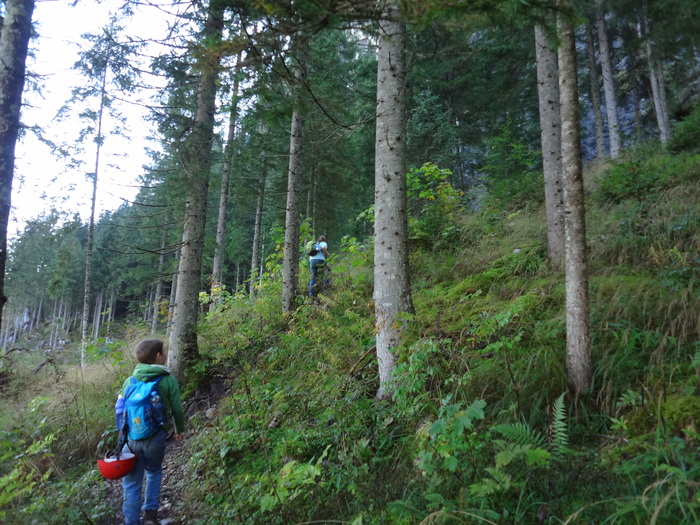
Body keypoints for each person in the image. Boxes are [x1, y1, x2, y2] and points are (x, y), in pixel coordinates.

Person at [121, 339, 185, 525]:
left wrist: (122, 436)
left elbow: (121, 410)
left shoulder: (129, 381)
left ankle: (131, 521)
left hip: (132, 437)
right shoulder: (168, 379)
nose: (164, 355)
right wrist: (179, 429)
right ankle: (150, 516)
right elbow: (177, 409)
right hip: (156, 436)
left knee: (132, 482)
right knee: (154, 472)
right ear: (157, 356)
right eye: (163, 352)